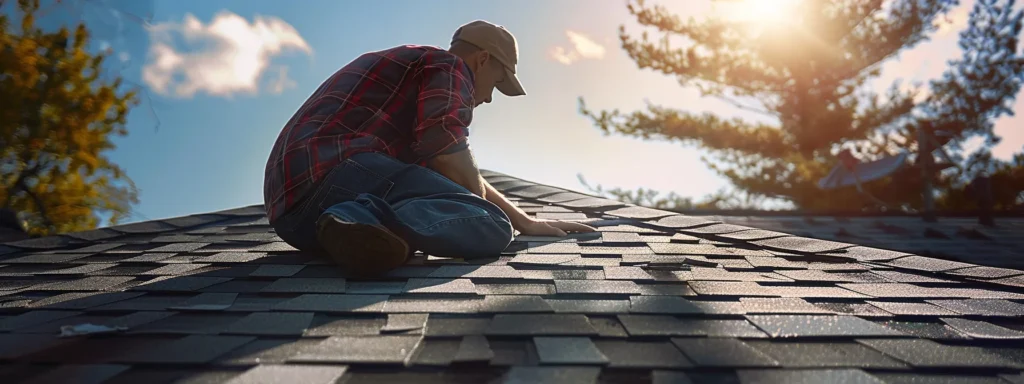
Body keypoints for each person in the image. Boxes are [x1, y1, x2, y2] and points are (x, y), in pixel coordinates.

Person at [263, 20, 596, 276]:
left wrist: (524, 221)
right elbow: (445, 143)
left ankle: (362, 232)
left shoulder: (413, 71)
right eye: (496, 83)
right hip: (336, 181)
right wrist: (487, 217)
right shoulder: (450, 66)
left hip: (294, 219)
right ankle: (361, 219)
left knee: (461, 217)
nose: (489, 97)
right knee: (492, 226)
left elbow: (446, 168)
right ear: (481, 61)